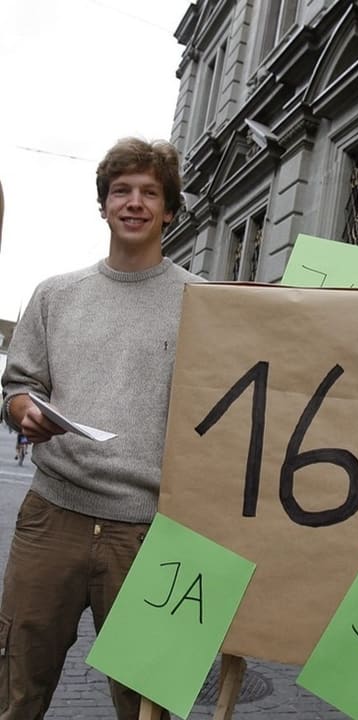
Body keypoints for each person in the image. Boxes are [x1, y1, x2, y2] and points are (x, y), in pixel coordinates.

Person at [0, 138, 201, 720]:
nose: (134, 203)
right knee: (17, 685)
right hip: (50, 517)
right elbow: (19, 386)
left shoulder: (204, 302)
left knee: (148, 703)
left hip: (150, 532)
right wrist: (23, 410)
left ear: (169, 209)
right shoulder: (55, 295)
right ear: (104, 204)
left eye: (149, 193)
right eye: (121, 191)